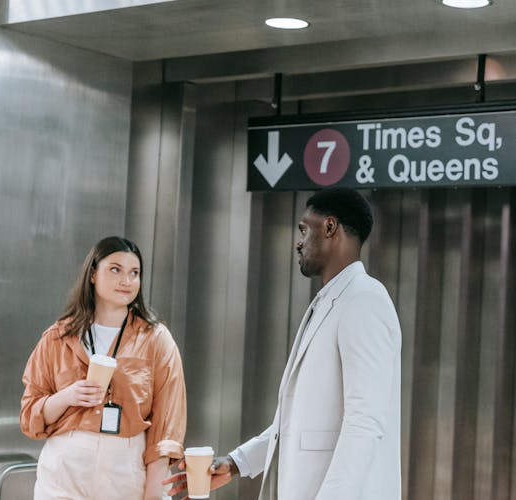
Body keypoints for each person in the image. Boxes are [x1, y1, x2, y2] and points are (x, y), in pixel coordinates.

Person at [166, 187, 402, 500]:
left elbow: (365, 423)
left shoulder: (364, 300)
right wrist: (237, 463)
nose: (298, 242)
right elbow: (294, 426)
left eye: (304, 230)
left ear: (330, 227)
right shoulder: (328, 302)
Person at [20, 236, 187, 500]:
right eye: (115, 269)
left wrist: (155, 492)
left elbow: (167, 424)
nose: (127, 280)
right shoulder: (58, 337)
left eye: (135, 273)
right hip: (65, 467)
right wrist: (66, 397)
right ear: (93, 274)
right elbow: (29, 417)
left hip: (125, 468)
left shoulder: (156, 339)